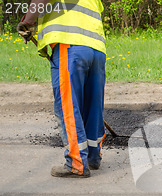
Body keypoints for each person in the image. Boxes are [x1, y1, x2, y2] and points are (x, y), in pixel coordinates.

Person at [17, 0, 107, 177]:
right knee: (92, 104)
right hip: (97, 49)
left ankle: (77, 163)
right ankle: (93, 157)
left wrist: (27, 22)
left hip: (70, 45)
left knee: (68, 107)